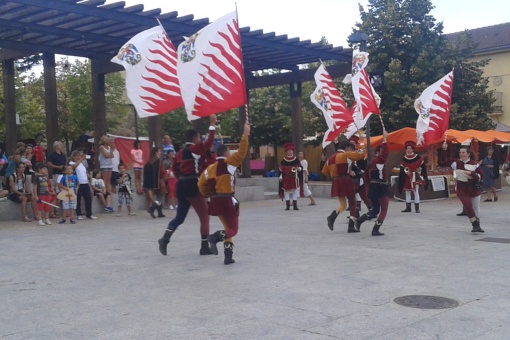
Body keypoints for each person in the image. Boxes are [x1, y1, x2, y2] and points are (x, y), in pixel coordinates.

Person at [158, 114, 217, 256]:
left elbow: (175, 170)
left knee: (180, 217)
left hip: (181, 185)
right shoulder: (194, 149)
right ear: (195, 139)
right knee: (204, 216)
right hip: (192, 184)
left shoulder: (179, 153)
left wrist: (182, 179)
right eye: (198, 138)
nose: (199, 141)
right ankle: (204, 247)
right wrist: (212, 124)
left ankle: (165, 238)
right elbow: (208, 143)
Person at [200, 120, 250, 265]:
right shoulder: (229, 163)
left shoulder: (210, 168)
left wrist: (208, 195)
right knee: (233, 229)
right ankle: (215, 237)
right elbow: (242, 152)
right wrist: (245, 134)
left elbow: (201, 185)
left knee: (227, 227)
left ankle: (228, 256)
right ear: (226, 153)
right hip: (227, 200)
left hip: (215, 201)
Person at [322, 136, 366, 233]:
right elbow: (361, 155)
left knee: (342, 204)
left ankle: (332, 216)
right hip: (346, 180)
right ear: (346, 148)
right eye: (351, 149)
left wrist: (337, 173)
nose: (353, 151)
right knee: (353, 203)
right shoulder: (346, 154)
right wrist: (362, 143)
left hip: (336, 181)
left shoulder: (331, 158)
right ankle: (351, 226)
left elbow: (325, 172)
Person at [441, 140, 484, 232]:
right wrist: (444, 150)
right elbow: (444, 161)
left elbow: (480, 176)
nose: (461, 154)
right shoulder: (456, 163)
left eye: (463, 152)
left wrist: (471, 173)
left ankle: (478, 225)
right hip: (462, 189)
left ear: (468, 154)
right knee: (468, 206)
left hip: (474, 188)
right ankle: (474, 224)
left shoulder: (474, 164)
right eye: (460, 153)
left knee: (476, 207)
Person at [356, 130, 389, 236]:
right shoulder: (379, 160)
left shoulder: (371, 163)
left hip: (373, 187)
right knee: (384, 209)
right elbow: (386, 153)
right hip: (380, 187)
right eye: (381, 151)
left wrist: (368, 187)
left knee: (375, 210)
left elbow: (366, 177)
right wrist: (384, 140)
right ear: (378, 152)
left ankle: (360, 220)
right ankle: (375, 229)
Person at [398, 140, 428, 213]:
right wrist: (406, 172)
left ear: (412, 149)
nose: (408, 149)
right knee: (407, 192)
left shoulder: (417, 157)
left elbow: (423, 167)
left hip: (415, 176)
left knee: (415, 191)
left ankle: (417, 208)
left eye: (409, 148)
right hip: (407, 177)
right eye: (407, 148)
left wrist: (420, 171)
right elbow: (402, 169)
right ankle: (408, 207)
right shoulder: (404, 158)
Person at [71, 150, 97, 220]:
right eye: (77, 156)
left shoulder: (82, 164)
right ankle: (78, 214)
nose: (78, 157)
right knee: (78, 199)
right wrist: (81, 160)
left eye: (79, 156)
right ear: (74, 157)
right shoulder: (72, 163)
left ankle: (89, 214)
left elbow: (85, 173)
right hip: (78, 184)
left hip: (85, 183)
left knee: (88, 199)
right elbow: (74, 167)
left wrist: (89, 182)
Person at [278, 143, 303, 211]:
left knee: (295, 191)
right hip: (286, 178)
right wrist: (280, 177)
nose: (290, 151)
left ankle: (295, 206)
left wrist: (299, 169)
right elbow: (280, 170)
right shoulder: (283, 160)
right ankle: (287, 206)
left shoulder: (296, 160)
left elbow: (300, 167)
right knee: (286, 192)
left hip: (294, 178)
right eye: (289, 150)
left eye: (291, 150)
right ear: (286, 151)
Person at [143, 147, 166, 218]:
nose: (160, 153)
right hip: (158, 181)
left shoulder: (149, 161)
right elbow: (161, 171)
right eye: (159, 151)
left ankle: (160, 212)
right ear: (156, 153)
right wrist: (165, 174)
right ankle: (152, 208)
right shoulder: (158, 161)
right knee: (160, 197)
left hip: (151, 181)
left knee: (159, 196)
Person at [47, 141, 67, 218]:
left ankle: (58, 209)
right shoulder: (52, 155)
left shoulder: (63, 155)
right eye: (60, 145)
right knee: (58, 190)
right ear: (56, 146)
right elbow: (49, 164)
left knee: (63, 191)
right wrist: (58, 167)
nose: (61, 146)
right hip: (56, 174)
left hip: (63, 174)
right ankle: (55, 209)